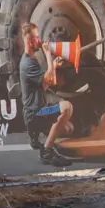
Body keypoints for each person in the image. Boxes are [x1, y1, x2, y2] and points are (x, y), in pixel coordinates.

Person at [17, 23, 69, 168]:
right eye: (37, 37)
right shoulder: (27, 63)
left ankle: (43, 141)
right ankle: (46, 151)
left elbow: (45, 84)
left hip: (39, 110)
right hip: (36, 113)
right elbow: (51, 80)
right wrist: (48, 55)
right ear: (28, 39)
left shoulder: (32, 59)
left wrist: (54, 66)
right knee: (67, 107)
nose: (40, 41)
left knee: (68, 128)